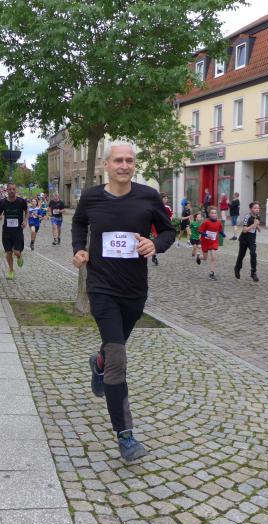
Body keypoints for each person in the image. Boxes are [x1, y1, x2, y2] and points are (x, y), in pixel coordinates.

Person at [72, 142, 174, 462]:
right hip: (101, 288)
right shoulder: (91, 197)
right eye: (118, 160)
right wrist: (79, 249)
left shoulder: (148, 197)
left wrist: (155, 244)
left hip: (134, 291)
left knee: (112, 349)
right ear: (106, 164)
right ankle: (125, 436)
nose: (124, 165)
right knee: (118, 358)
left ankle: (98, 362)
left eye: (130, 160)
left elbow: (169, 231)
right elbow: (79, 223)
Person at [0, 183, 28, 280]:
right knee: (8, 252)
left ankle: (19, 256)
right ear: (7, 190)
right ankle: (11, 270)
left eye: (13, 189)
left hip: (18, 231)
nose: (12, 191)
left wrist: (25, 221)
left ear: (16, 190)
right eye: (10, 189)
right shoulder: (3, 202)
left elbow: (27, 212)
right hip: (7, 231)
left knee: (16, 252)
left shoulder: (21, 201)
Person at [234, 201, 261, 282]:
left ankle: (253, 273)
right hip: (244, 239)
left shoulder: (258, 217)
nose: (257, 209)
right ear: (251, 209)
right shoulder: (247, 217)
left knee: (253, 254)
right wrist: (254, 225)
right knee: (241, 256)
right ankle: (237, 268)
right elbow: (244, 230)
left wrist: (257, 225)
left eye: (258, 208)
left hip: (252, 239)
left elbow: (258, 229)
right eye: (255, 208)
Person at [198, 207, 224, 280]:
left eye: (215, 213)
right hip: (205, 242)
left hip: (213, 242)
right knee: (205, 258)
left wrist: (224, 235)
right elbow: (199, 231)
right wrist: (206, 235)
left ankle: (212, 273)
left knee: (213, 257)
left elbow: (220, 230)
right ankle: (199, 257)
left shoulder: (219, 222)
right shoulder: (206, 222)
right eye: (212, 213)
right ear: (209, 214)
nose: (214, 214)